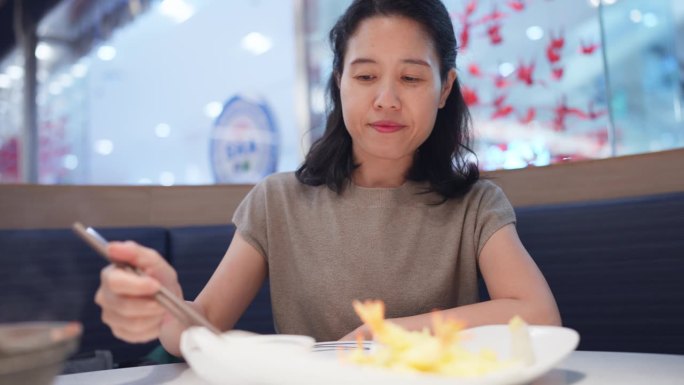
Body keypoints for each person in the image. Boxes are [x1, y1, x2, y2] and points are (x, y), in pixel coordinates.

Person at [95, 0, 561, 357]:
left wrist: (385, 333)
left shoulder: (475, 205)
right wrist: (164, 306)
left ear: (444, 89)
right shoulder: (277, 201)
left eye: (412, 79)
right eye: (365, 76)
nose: (386, 98)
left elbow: (540, 316)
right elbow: (204, 323)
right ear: (339, 83)